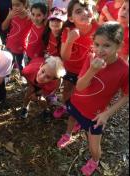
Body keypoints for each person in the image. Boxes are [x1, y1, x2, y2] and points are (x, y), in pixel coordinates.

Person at [57, 22, 129, 175]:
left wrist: (107, 114)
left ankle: (95, 160)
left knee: (93, 146)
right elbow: (80, 86)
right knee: (72, 118)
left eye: (106, 45)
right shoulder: (91, 57)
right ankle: (68, 134)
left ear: (119, 45)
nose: (100, 50)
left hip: (96, 115)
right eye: (96, 44)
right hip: (77, 102)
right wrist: (92, 70)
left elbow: (126, 95)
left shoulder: (124, 70)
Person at [58, 0, 98, 118]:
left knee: (81, 94)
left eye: (87, 8)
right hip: (70, 69)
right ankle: (66, 107)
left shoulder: (99, 30)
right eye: (79, 11)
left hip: (87, 71)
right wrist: (70, 40)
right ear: (71, 18)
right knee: (67, 90)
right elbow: (65, 57)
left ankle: (77, 116)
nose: (85, 13)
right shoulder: (67, 31)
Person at [20, 56, 66, 123]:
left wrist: (36, 94)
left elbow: (45, 91)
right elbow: (25, 75)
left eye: (48, 77)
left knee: (41, 99)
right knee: (29, 92)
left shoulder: (53, 84)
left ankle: (45, 110)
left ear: (53, 79)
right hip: (33, 79)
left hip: (45, 86)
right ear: (41, 66)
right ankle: (25, 107)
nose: (41, 77)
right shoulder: (29, 70)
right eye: (43, 71)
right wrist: (30, 85)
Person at [2, 0, 32, 72]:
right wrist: (9, 17)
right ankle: (8, 81)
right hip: (9, 45)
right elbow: (3, 27)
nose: (15, 7)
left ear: (24, 4)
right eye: (13, 5)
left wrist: (31, 16)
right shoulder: (12, 14)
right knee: (7, 66)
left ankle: (20, 82)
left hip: (20, 48)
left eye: (18, 5)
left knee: (20, 68)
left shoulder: (29, 17)